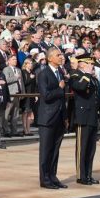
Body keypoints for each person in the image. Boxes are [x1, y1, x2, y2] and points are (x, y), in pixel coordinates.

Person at [37, 47, 68, 189]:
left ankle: (53, 175)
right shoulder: (44, 74)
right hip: (48, 117)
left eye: (61, 54)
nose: (61, 57)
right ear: (50, 58)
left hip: (59, 117)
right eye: (58, 55)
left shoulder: (60, 72)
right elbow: (46, 95)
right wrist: (59, 89)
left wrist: (65, 116)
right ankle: (45, 179)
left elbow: (63, 99)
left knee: (55, 150)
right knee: (46, 150)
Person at [69, 54, 100, 185]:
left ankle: (88, 174)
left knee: (91, 148)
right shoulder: (76, 75)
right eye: (90, 64)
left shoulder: (92, 78)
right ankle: (81, 176)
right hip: (82, 116)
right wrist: (87, 75)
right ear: (82, 64)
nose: (92, 66)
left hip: (92, 115)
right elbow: (80, 88)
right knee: (82, 148)